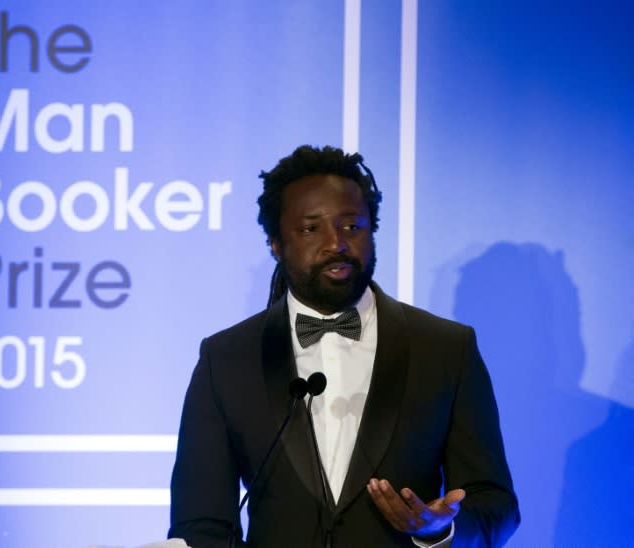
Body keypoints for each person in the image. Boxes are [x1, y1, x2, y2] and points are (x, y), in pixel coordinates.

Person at [168, 145, 519, 547]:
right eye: (311, 228)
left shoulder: (445, 350)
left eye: (352, 226)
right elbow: (201, 525)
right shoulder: (226, 359)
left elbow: (496, 506)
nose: (336, 243)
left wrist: (440, 529)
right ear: (275, 244)